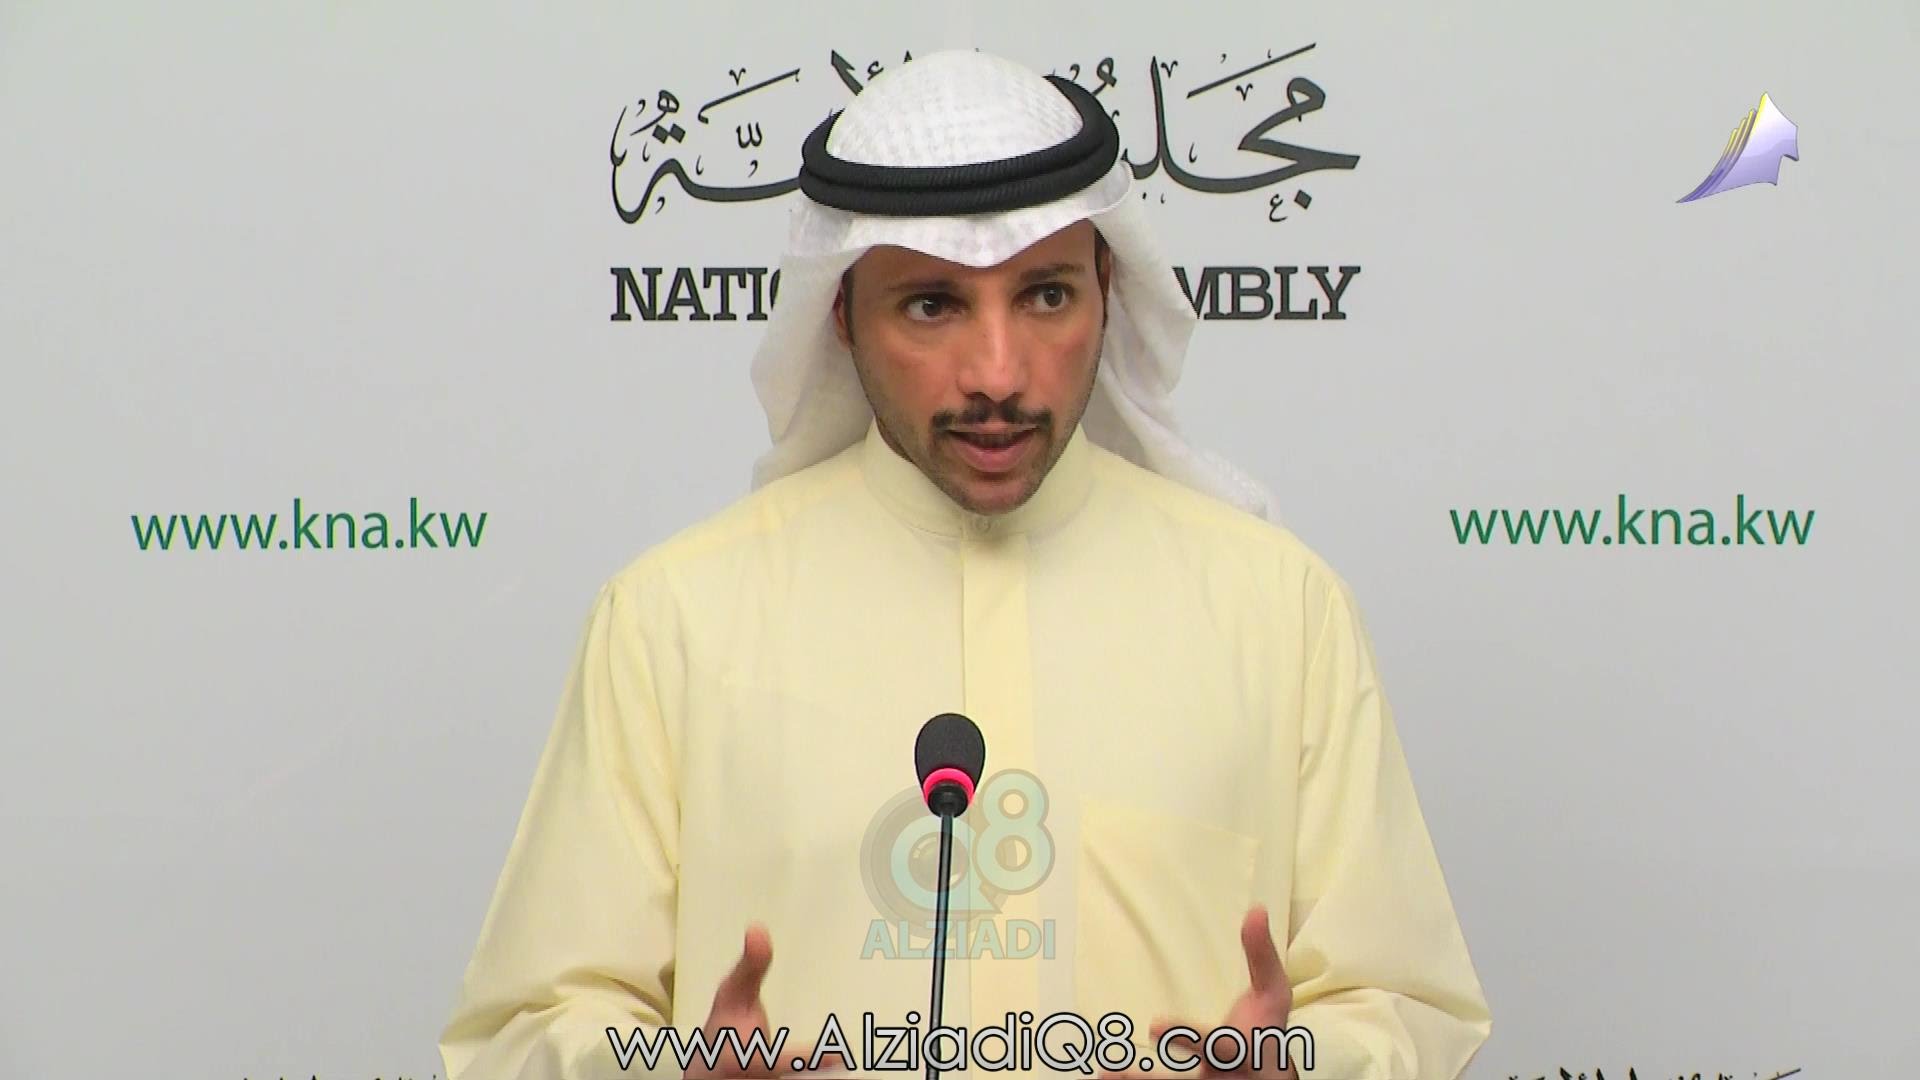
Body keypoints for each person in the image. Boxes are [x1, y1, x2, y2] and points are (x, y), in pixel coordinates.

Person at [439, 49, 1490, 1080]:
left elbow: (1404, 1005)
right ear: (842, 315)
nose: (998, 373)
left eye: (1045, 296)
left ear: (1108, 290)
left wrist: (1299, 1071)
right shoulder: (674, 622)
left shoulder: (1278, 610)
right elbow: (524, 1032)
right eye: (932, 306)